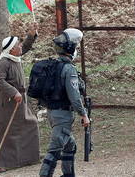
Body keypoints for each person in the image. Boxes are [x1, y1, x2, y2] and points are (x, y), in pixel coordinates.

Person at [0, 23, 40, 173]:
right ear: (11, 50)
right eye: (18, 45)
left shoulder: (15, 57)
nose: (20, 47)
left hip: (19, 102)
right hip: (7, 103)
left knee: (30, 124)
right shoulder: (4, 62)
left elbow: (26, 46)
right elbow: (0, 81)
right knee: (1, 130)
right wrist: (14, 92)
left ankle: (26, 158)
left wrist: (32, 33)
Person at [39, 28, 90, 177]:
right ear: (71, 49)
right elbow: (74, 96)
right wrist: (83, 114)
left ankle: (68, 174)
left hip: (53, 111)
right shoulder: (68, 69)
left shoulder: (54, 65)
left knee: (70, 145)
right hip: (62, 114)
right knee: (55, 148)